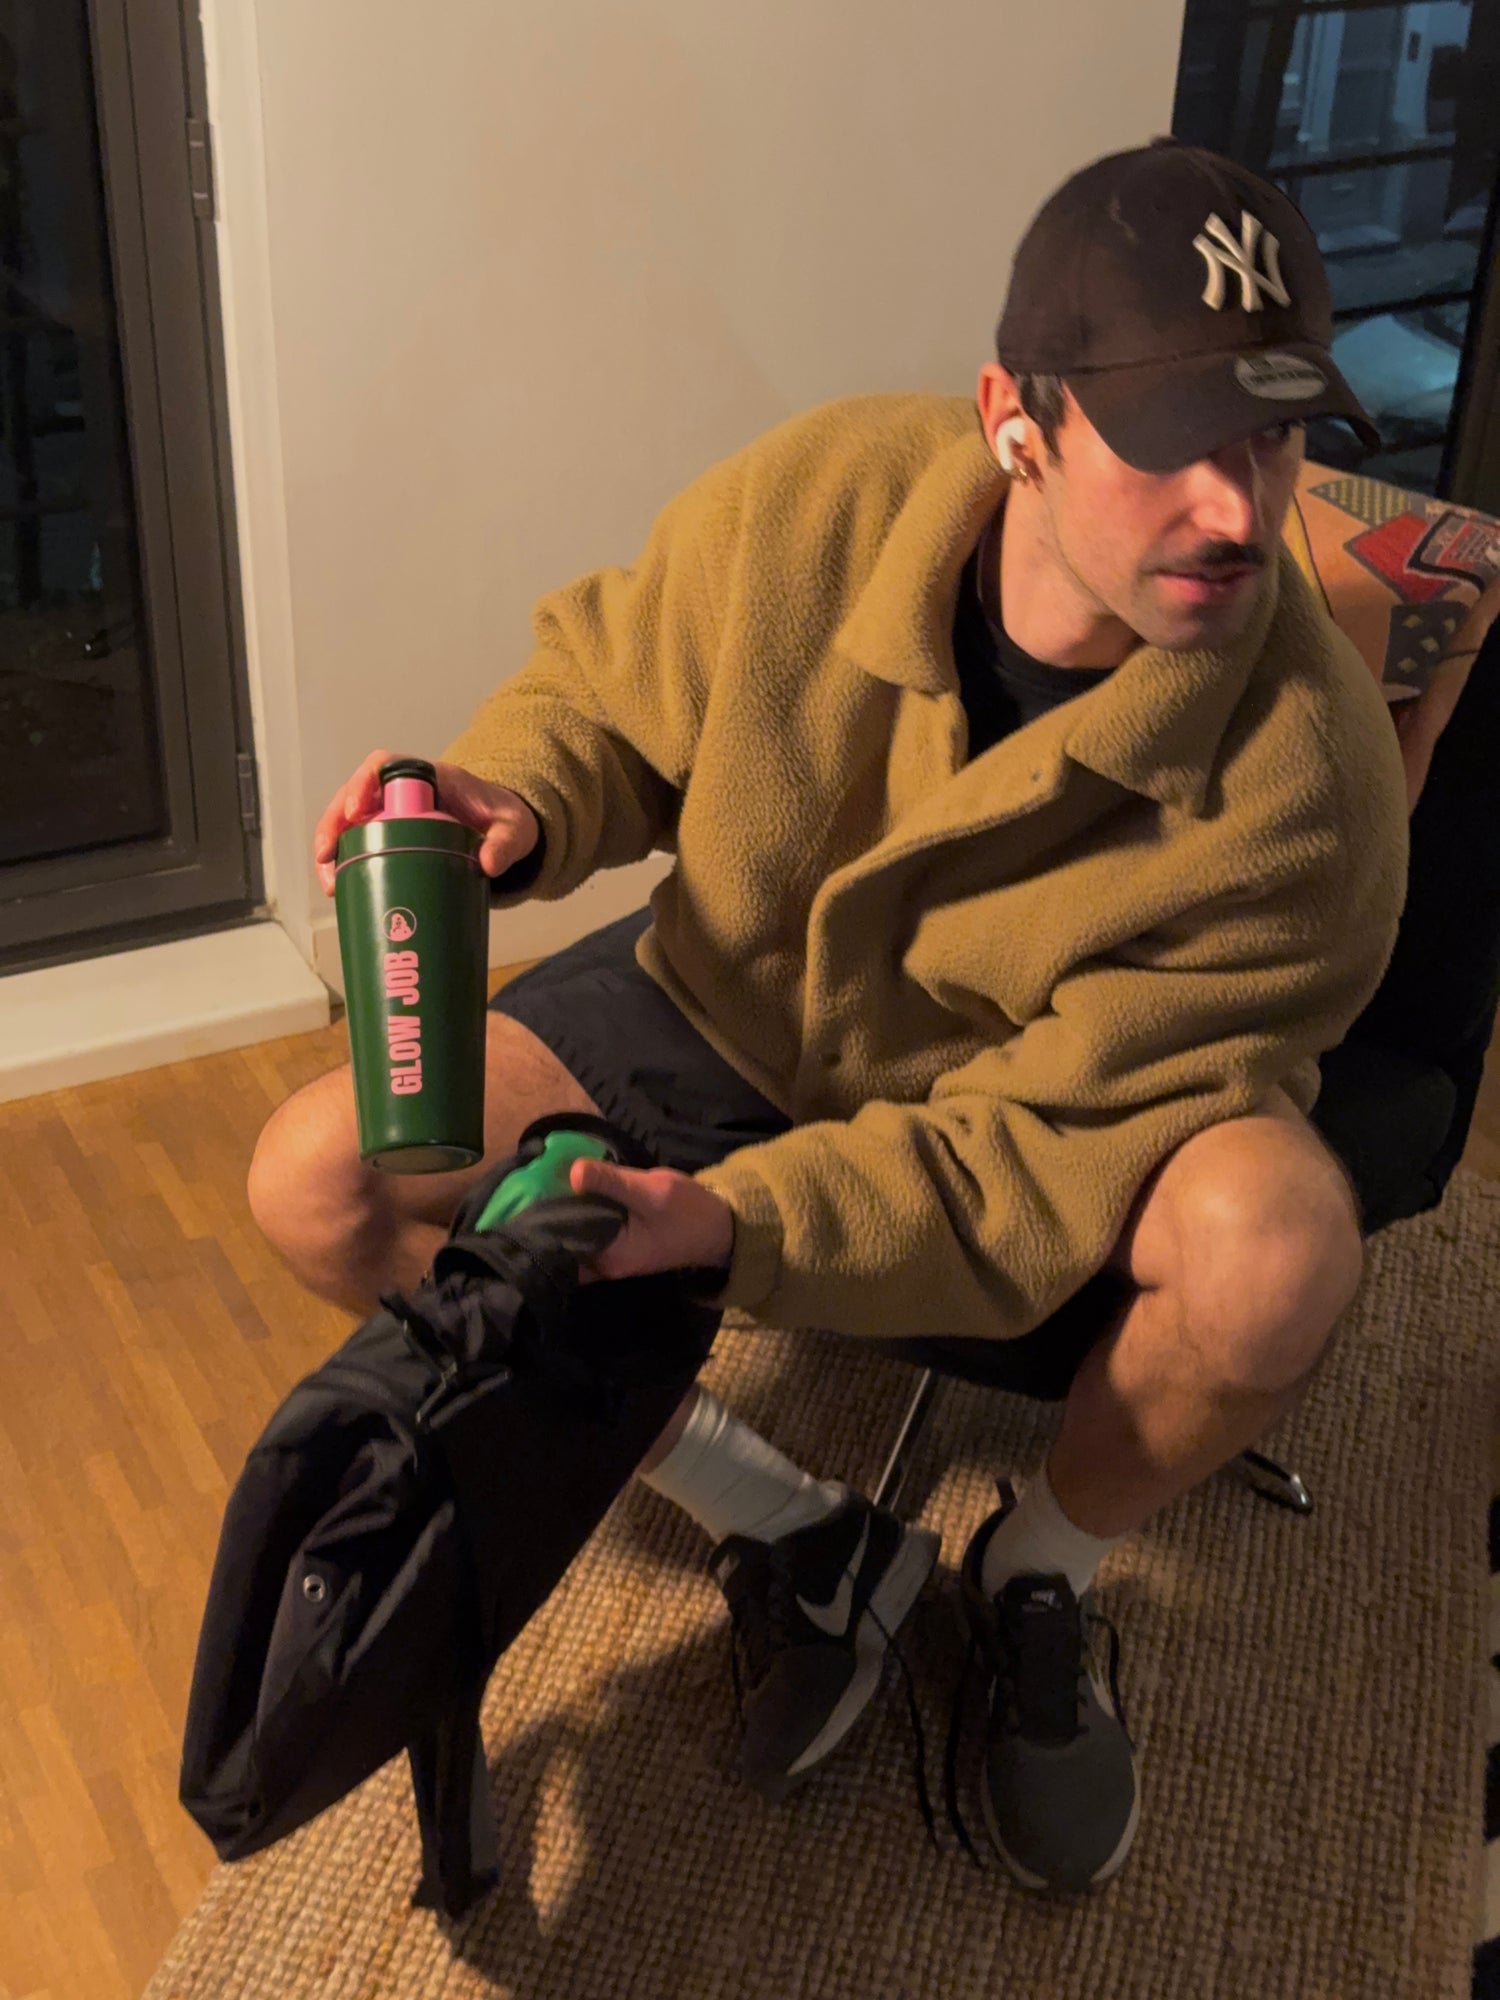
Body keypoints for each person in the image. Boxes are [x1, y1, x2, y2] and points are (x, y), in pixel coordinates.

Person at [249, 139, 1419, 1895]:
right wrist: (513, 800)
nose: (1242, 512)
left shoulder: (1309, 790)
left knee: (1280, 1250)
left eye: (1272, 438)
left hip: (1012, 1123)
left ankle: (1040, 1569)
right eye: (1174, 439)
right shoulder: (826, 499)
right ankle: (797, 1532)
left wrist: (731, 1225)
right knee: (320, 1178)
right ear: (1016, 420)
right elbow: (608, 693)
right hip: (728, 1003)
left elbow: (1026, 1161)